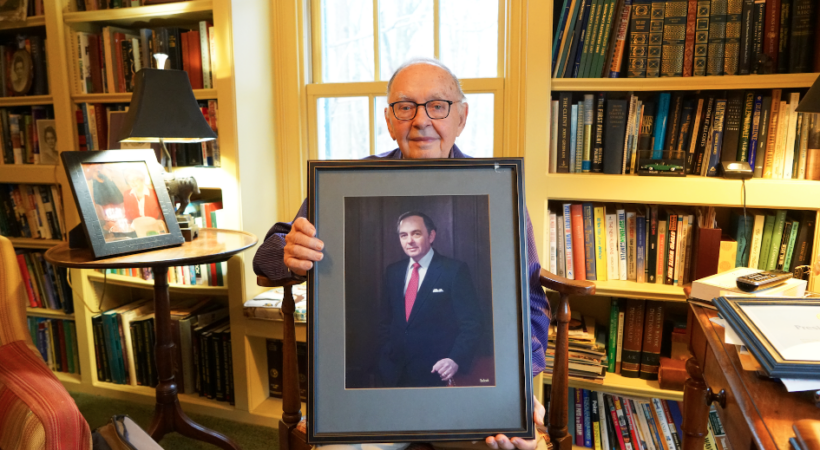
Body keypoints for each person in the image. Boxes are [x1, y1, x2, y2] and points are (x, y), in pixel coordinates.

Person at [253, 58, 550, 450]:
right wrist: (288, 252)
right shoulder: (345, 186)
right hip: (379, 392)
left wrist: (514, 386)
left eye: (438, 105)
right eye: (405, 107)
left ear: (462, 116)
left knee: (517, 448)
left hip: (464, 389)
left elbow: (530, 303)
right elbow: (267, 258)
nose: (421, 120)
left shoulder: (499, 192)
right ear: (390, 120)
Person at [378, 211, 481, 388]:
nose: (409, 240)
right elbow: (386, 321)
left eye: (416, 234)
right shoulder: (393, 271)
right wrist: (385, 358)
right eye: (404, 235)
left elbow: (472, 323)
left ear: (431, 235)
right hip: (394, 374)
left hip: (435, 375)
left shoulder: (454, 271)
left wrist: (455, 359)